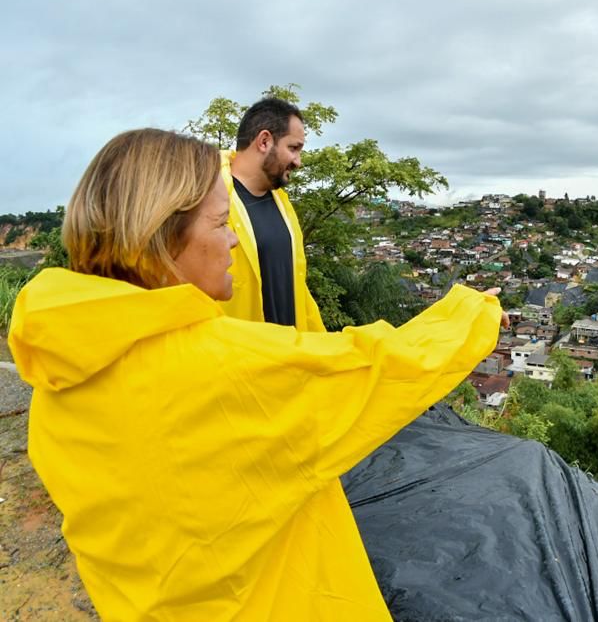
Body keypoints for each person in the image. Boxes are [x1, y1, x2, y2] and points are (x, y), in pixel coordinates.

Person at [9, 129, 507, 620]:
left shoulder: (59, 374)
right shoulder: (222, 370)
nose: (232, 241)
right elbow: (380, 365)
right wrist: (474, 313)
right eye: (222, 222)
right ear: (159, 236)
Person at [221, 97, 323, 330]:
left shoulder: (283, 205)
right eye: (293, 148)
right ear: (264, 141)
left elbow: (297, 289)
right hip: (239, 359)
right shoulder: (207, 199)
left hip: (289, 357)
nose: (298, 162)